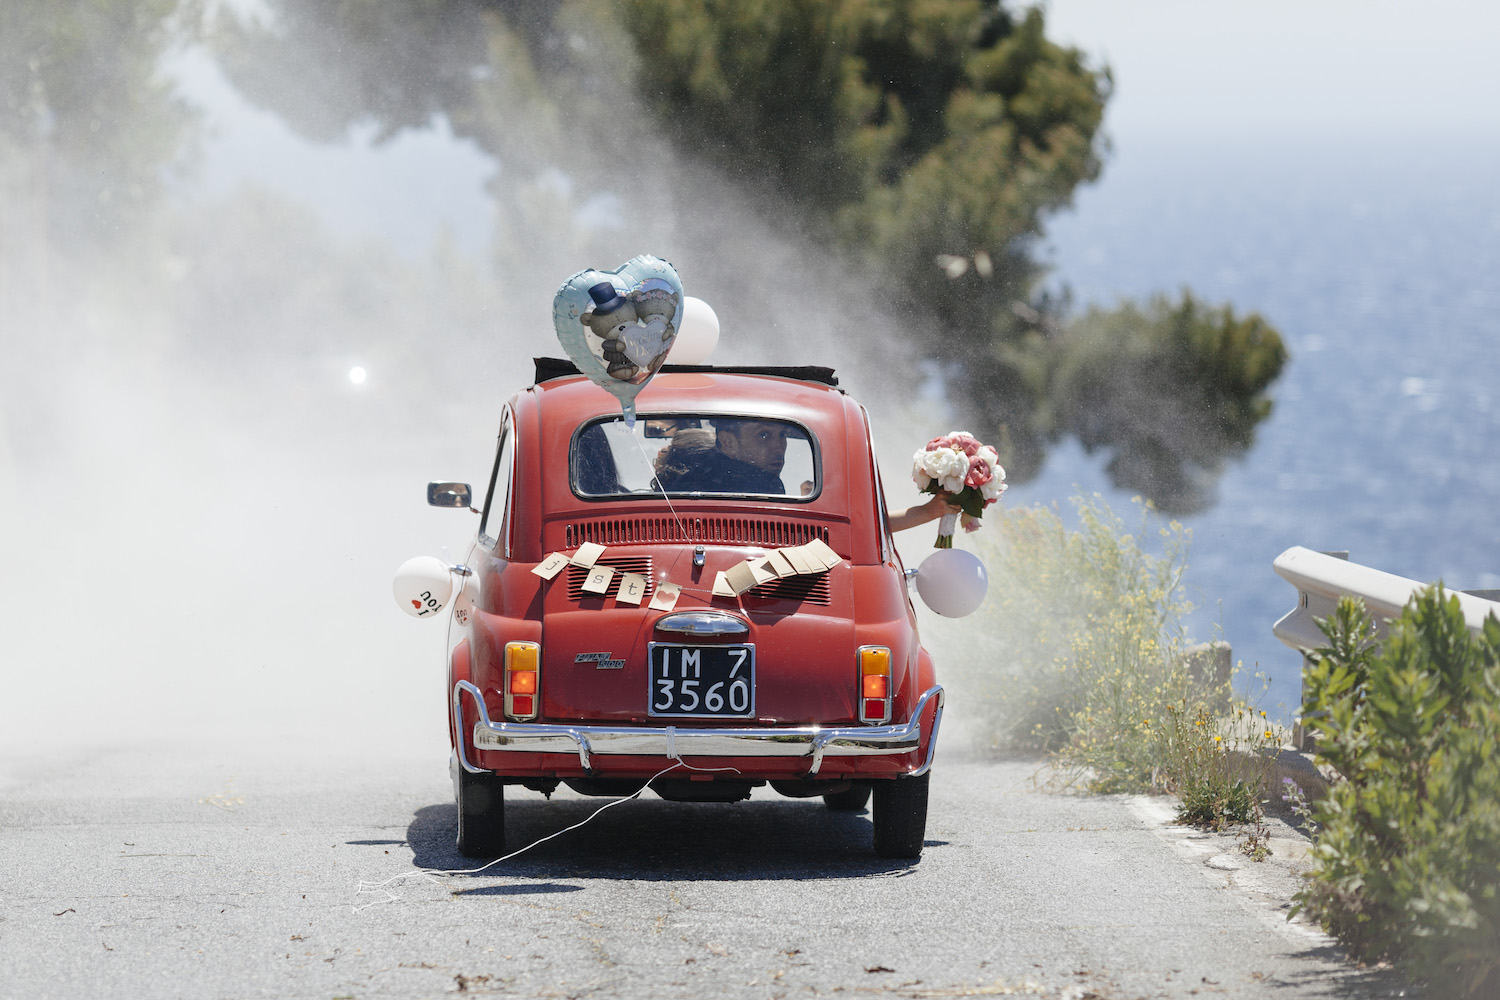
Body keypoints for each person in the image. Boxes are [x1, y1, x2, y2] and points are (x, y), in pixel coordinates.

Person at [658, 419, 791, 494]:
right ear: (728, 442)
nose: (778, 447)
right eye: (763, 435)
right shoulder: (768, 485)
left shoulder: (685, 483)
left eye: (783, 434)